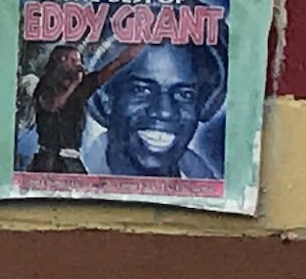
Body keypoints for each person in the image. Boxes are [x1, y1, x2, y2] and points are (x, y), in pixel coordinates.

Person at [89, 42, 226, 179]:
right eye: (141, 90)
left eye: (185, 94)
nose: (165, 112)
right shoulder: (83, 167)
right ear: (107, 101)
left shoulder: (203, 178)